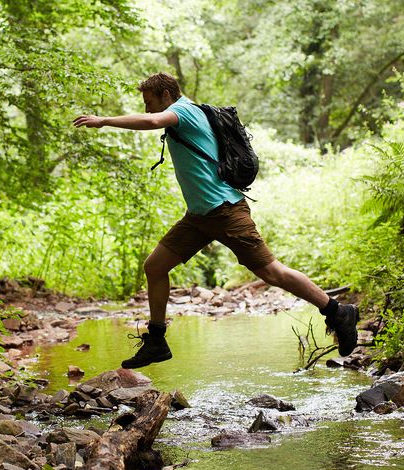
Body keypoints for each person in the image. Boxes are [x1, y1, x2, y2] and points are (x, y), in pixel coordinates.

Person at [73, 72, 358, 369]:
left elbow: (153, 122)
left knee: (272, 272)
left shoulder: (184, 111)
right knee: (155, 267)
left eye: (149, 102)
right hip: (198, 217)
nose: (147, 108)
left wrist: (104, 120)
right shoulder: (182, 113)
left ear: (166, 96)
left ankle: (337, 311)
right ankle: (156, 340)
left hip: (225, 211)